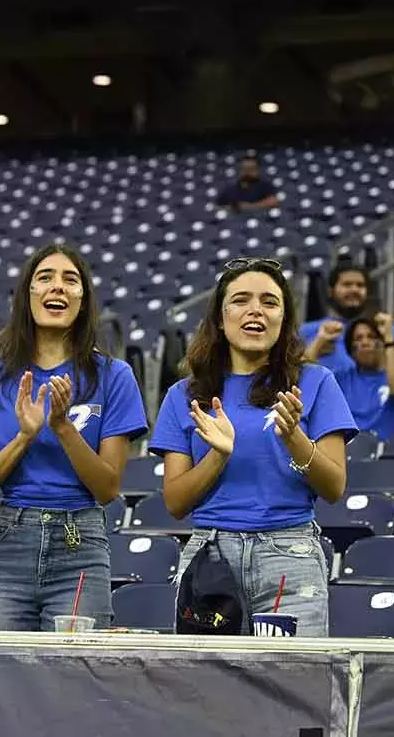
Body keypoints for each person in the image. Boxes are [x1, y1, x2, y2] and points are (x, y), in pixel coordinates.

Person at [150, 257, 356, 637]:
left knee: (292, 688)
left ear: (283, 318)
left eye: (270, 302)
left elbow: (334, 487)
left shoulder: (316, 382)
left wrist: (294, 436)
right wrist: (219, 455)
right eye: (241, 300)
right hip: (210, 556)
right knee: (207, 690)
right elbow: (175, 503)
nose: (255, 310)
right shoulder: (185, 395)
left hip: (289, 557)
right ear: (220, 316)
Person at [0, 243, 148, 631]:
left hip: (82, 544)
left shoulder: (114, 376)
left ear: (83, 300)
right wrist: (24, 436)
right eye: (45, 278)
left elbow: (107, 488)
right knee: (6, 679)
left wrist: (62, 427)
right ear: (28, 295)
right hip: (9, 543)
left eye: (70, 280)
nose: (58, 287)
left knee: (74, 681)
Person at [301, 263, 394, 377]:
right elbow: (291, 377)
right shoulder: (307, 331)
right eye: (347, 284)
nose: (354, 289)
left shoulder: (385, 329)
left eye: (360, 285)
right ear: (331, 291)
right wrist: (318, 344)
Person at [331, 312, 394, 440]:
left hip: (393, 452)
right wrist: (319, 341)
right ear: (351, 350)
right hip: (350, 451)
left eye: (371, 336)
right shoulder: (342, 378)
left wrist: (388, 338)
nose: (365, 342)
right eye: (358, 339)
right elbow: (301, 380)